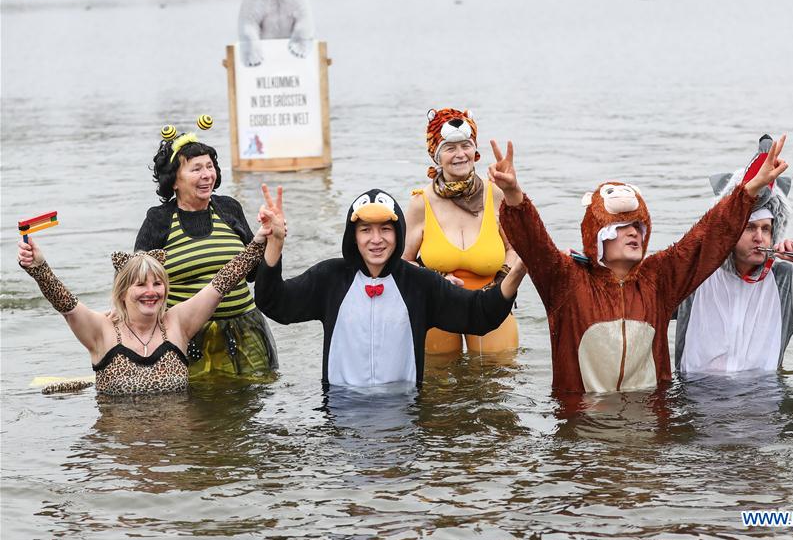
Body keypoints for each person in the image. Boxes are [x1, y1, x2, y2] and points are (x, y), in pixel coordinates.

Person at [490, 135, 789, 394]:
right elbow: (535, 245)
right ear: (598, 235)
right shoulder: (567, 280)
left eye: (638, 226)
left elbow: (705, 238)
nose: (633, 232)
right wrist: (515, 195)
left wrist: (748, 191)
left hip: (648, 429)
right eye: (621, 226)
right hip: (582, 428)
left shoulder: (657, 279)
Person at [253, 185, 527, 388]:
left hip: (403, 411)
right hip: (341, 407)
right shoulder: (330, 278)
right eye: (365, 230)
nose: (376, 240)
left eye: (385, 229)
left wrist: (519, 270)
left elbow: (478, 314)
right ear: (353, 236)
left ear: (399, 234)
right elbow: (275, 303)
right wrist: (275, 243)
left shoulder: (420, 283)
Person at [17, 208, 270, 396]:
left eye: (157, 284)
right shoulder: (102, 331)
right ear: (123, 291)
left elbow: (222, 282)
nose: (151, 292)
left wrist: (259, 240)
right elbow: (66, 304)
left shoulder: (177, 323)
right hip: (122, 456)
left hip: (176, 453)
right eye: (140, 284)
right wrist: (39, 267)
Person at [674, 135, 793, 374]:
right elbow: (641, 299)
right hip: (695, 397)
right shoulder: (696, 272)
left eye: (766, 229)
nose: (760, 237)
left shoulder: (788, 280)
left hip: (763, 399)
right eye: (749, 227)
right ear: (729, 230)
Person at [135, 122, 278, 379]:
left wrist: (273, 238)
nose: (207, 175)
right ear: (175, 180)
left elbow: (255, 273)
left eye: (210, 167)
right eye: (196, 169)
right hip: (185, 335)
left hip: (244, 330)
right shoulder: (159, 219)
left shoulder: (229, 209)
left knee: (251, 406)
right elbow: (134, 282)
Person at [403, 108, 520, 355]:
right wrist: (436, 280)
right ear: (436, 155)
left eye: (466, 145)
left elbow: (516, 249)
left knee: (500, 376)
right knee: (439, 384)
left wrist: (499, 285)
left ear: (475, 151)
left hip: (492, 303)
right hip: (437, 305)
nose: (460, 154)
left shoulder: (497, 194)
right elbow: (402, 262)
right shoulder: (420, 203)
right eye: (449, 148)